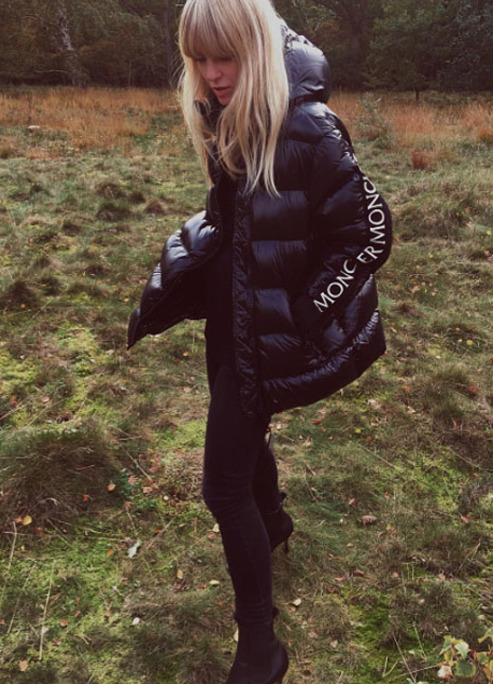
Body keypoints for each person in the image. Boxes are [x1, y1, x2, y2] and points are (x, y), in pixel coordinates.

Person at [128, 0, 392, 681]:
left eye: (227, 57)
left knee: (221, 488)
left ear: (258, 49)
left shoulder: (306, 127)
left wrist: (302, 315)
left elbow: (369, 234)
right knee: (240, 440)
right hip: (229, 319)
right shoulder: (226, 112)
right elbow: (242, 217)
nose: (213, 74)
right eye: (199, 59)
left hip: (266, 329)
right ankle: (271, 521)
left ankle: (261, 645)